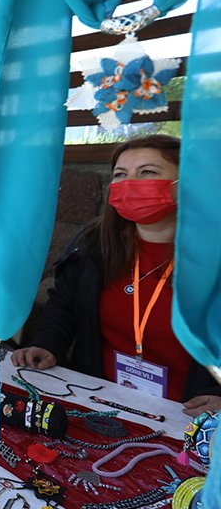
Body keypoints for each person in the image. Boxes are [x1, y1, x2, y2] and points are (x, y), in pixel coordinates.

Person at [12, 135, 221, 416]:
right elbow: (63, 306)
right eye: (120, 174)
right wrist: (48, 344)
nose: (130, 183)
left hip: (187, 417)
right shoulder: (92, 245)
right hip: (100, 405)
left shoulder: (213, 258)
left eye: (147, 172)